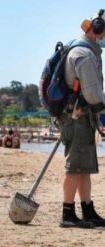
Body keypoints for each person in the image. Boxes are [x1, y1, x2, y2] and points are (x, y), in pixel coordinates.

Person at [60, 9, 105, 228]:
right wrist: (103, 114)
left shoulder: (88, 51)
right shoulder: (84, 55)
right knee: (74, 166)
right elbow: (93, 94)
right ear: (97, 30)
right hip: (76, 116)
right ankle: (67, 213)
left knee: (84, 167)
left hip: (82, 115)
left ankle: (88, 210)